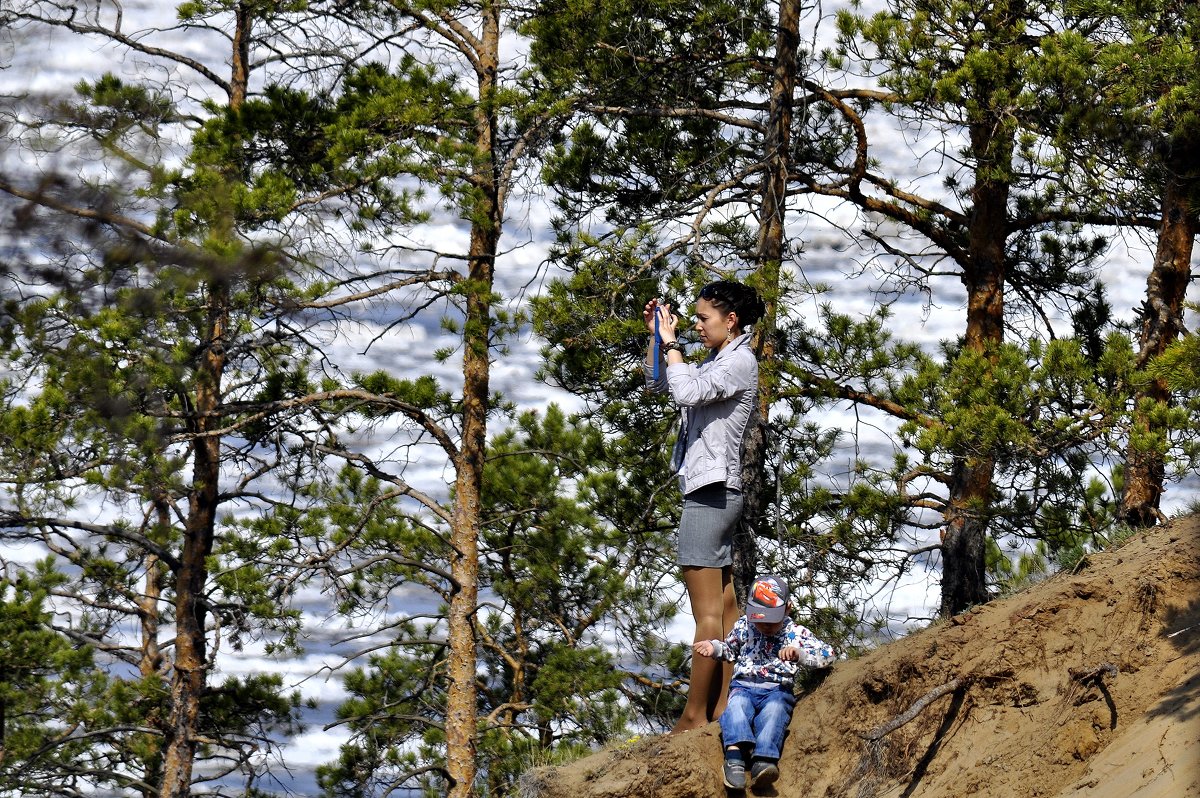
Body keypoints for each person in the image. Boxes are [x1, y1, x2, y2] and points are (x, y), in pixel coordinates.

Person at [643, 279, 766, 732]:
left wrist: (674, 343)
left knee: (707, 615)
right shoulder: (721, 360)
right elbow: (663, 384)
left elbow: (688, 393)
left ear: (730, 320)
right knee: (728, 609)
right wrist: (659, 340)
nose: (696, 326)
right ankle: (723, 708)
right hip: (715, 491)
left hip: (711, 494)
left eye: (703, 318)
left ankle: (694, 716)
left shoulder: (739, 362)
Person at [693, 574, 836, 790]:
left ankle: (764, 761)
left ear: (788, 608)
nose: (766, 626)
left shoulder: (796, 633)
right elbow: (730, 647)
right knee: (736, 708)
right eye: (760, 620)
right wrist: (715, 648)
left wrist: (800, 654)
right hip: (743, 686)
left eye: (772, 620)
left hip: (777, 689)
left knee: (775, 711)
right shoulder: (745, 625)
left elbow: (828, 654)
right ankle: (734, 757)